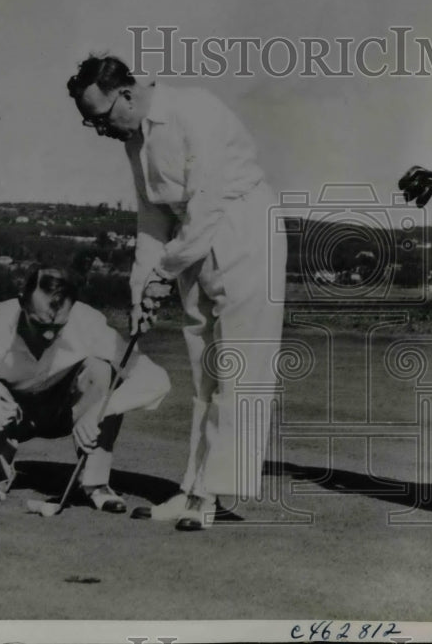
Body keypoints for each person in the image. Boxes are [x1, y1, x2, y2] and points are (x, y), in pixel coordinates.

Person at [66, 55, 286, 531]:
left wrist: (164, 272)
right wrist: (140, 289)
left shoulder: (194, 110)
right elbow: (152, 217)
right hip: (194, 241)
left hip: (244, 230)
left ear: (125, 94)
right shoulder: (135, 138)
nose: (101, 130)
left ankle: (210, 496)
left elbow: (206, 205)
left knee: (238, 369)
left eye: (101, 118)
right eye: (91, 123)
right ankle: (192, 489)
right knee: (205, 369)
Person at [0, 265, 171, 511]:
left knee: (101, 372)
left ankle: (94, 483)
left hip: (66, 413)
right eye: (39, 324)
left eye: (58, 327)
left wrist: (101, 409)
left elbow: (156, 379)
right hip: (9, 414)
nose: (48, 336)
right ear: (21, 302)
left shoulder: (88, 322)